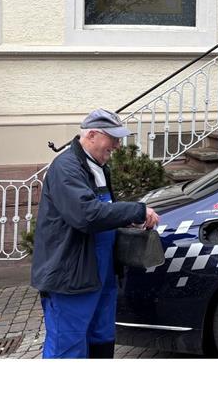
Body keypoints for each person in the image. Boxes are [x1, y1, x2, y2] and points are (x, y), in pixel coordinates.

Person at [31, 109, 160, 359]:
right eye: (113, 138)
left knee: (101, 339)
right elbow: (86, 214)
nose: (118, 145)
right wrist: (136, 211)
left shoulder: (98, 166)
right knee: (67, 347)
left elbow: (105, 211)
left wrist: (127, 222)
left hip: (99, 274)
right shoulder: (66, 167)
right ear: (91, 135)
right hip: (71, 277)